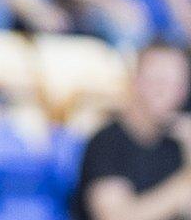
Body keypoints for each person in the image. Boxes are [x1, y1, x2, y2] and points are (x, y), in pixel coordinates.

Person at [73, 43, 191, 220]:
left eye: (177, 85)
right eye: (158, 81)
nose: (164, 92)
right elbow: (117, 216)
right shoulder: (107, 142)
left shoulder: (177, 144)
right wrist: (186, 181)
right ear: (135, 81)